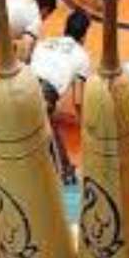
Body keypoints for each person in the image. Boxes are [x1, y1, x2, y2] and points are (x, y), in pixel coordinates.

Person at [30, 10, 92, 183]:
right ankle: (65, 173)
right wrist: (85, 126)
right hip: (41, 98)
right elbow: (78, 100)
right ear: (84, 35)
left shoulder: (45, 42)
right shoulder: (82, 55)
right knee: (50, 132)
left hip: (21, 85)